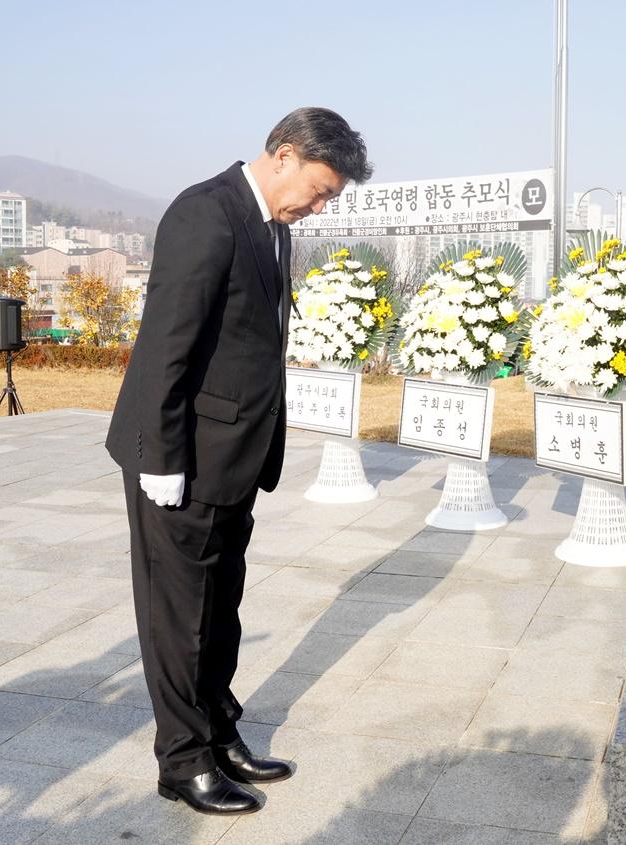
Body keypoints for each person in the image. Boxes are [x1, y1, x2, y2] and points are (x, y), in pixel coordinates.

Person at [105, 107, 371, 815]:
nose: (318, 207)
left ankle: (220, 734)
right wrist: (161, 457)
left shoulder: (272, 227)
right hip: (181, 453)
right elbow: (166, 343)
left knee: (220, 606)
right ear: (282, 154)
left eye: (329, 199)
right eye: (317, 190)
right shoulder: (206, 214)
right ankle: (182, 760)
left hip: (234, 456)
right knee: (179, 614)